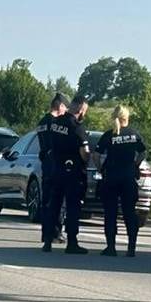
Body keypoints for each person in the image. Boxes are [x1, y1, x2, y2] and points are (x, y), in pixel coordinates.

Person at [94, 106, 146, 257]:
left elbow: (96, 155)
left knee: (110, 213)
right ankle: (131, 248)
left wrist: (100, 169)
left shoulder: (109, 135)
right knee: (129, 212)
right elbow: (143, 152)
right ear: (127, 117)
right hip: (128, 178)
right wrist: (135, 164)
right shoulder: (134, 134)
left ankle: (111, 247)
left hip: (111, 177)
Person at [43, 94, 91, 254]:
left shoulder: (56, 123)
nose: (85, 114)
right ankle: (72, 242)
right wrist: (87, 160)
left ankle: (48, 241)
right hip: (72, 173)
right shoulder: (76, 127)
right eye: (85, 110)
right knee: (72, 207)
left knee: (54, 205)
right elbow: (84, 151)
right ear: (80, 107)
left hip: (56, 169)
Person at [35, 94, 67, 244]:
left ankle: (45, 233)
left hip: (45, 165)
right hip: (56, 164)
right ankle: (56, 232)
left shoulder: (42, 121)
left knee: (46, 201)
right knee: (58, 202)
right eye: (65, 107)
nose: (65, 111)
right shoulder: (56, 123)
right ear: (60, 106)